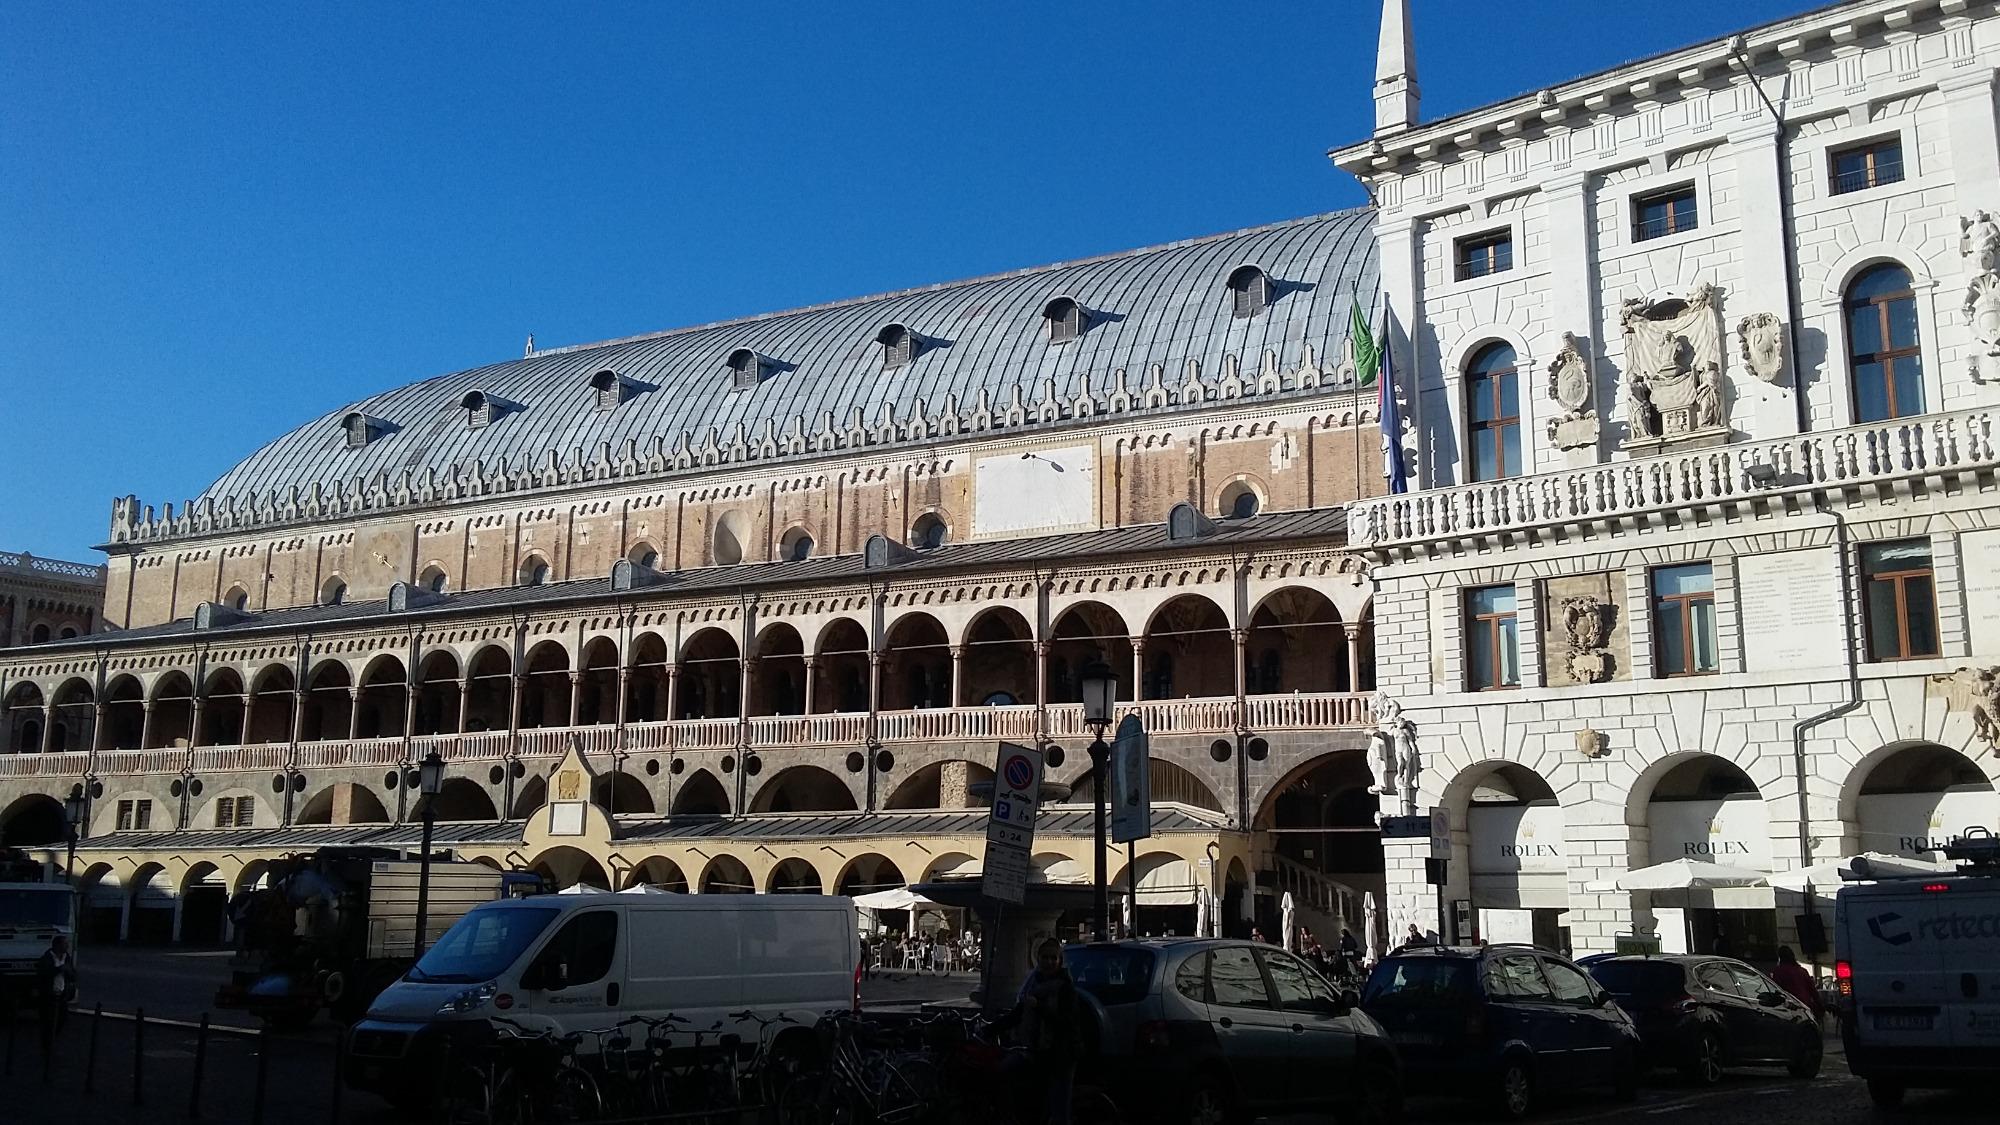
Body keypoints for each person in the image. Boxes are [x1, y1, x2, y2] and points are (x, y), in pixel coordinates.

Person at [1000, 938, 1083, 1124]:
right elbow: (1018, 1013)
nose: (1049, 962)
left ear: (1060, 961)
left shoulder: (1065, 988)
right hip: (1035, 1051)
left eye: (1053, 958)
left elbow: (1067, 1022)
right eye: (1045, 957)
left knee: (1059, 1109)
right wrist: (987, 1029)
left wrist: (1040, 1008)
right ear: (1038, 959)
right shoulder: (1033, 985)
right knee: (1006, 1073)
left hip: (1061, 1054)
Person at [36, 934, 77, 1056]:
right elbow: (44, 974)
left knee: (62, 1019)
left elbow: (73, 975)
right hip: (48, 995)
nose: (67, 946)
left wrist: (69, 973)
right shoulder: (47, 958)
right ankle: (47, 1047)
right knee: (48, 1022)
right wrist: (60, 969)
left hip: (62, 994)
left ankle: (51, 1041)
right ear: (58, 945)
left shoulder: (66, 957)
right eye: (65, 944)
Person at [1770, 946, 1822, 1020]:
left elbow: (1776, 989)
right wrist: (1819, 1005)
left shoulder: (1778, 971)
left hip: (1789, 1007)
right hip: (1805, 1005)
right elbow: (1813, 990)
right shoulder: (1802, 971)